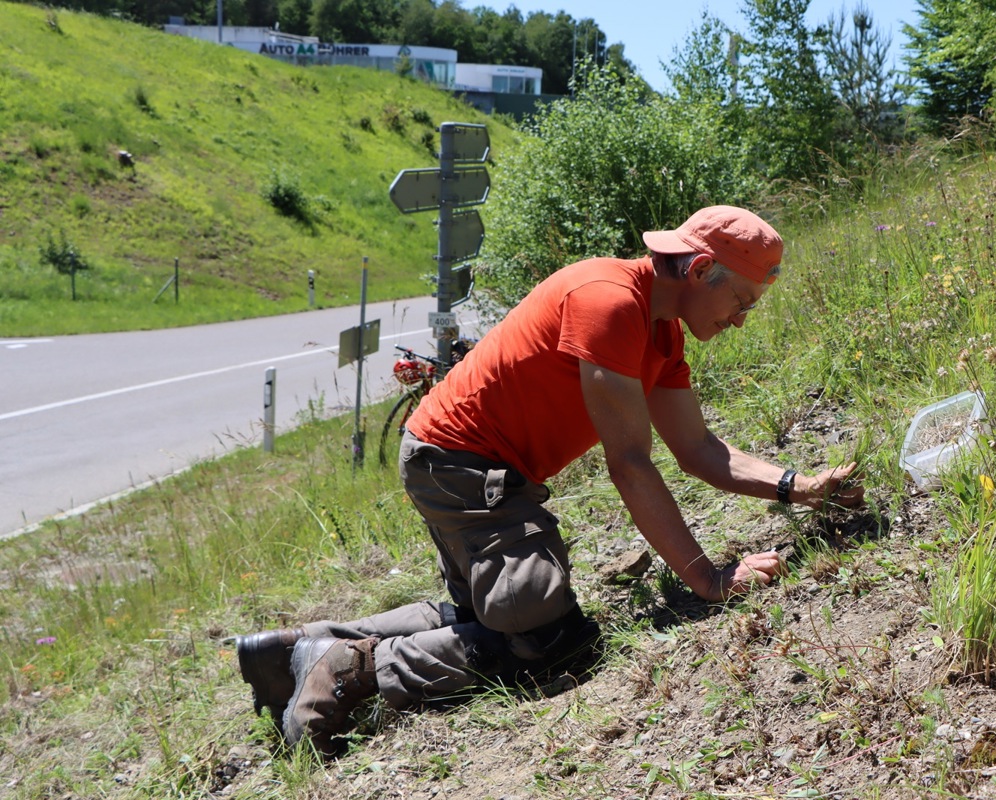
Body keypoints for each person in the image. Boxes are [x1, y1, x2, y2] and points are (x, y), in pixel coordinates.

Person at [235, 205, 864, 755]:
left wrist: (798, 486)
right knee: (551, 642)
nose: (741, 320)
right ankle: (353, 667)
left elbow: (697, 449)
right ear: (700, 272)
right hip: (463, 466)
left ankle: (298, 647)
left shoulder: (662, 335)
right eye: (741, 302)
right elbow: (631, 464)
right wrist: (709, 579)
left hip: (465, 466)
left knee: (481, 615)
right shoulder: (610, 302)